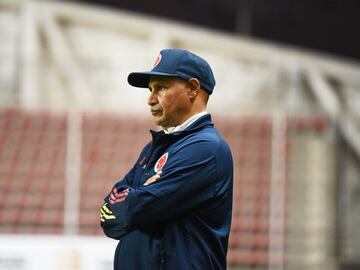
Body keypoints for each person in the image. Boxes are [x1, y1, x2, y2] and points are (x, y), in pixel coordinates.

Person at [100, 49, 233, 270]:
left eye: (160, 88)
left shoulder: (206, 148)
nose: (150, 99)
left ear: (192, 88)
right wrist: (133, 202)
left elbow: (134, 209)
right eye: (151, 89)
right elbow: (109, 218)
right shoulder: (153, 148)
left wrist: (132, 200)